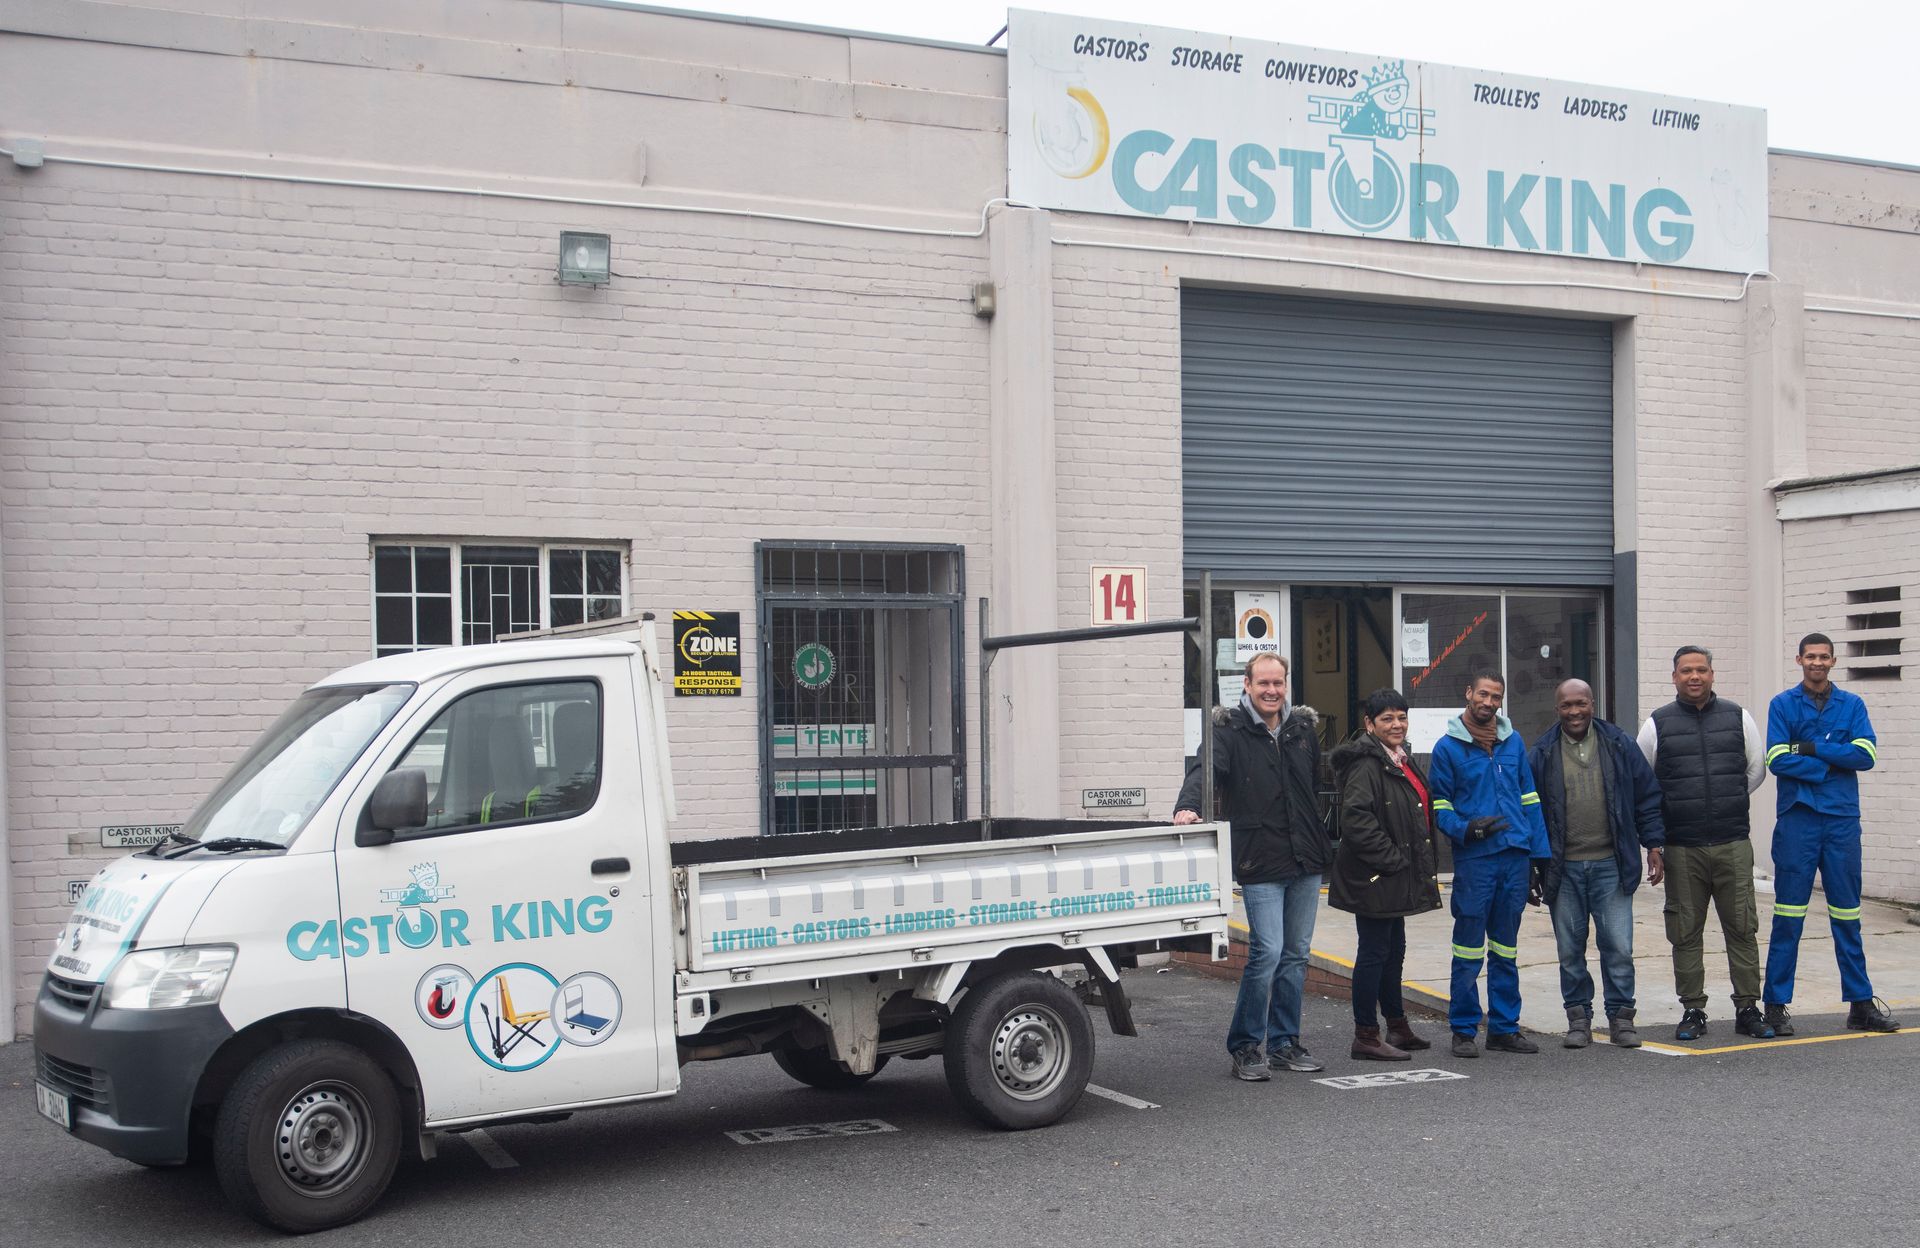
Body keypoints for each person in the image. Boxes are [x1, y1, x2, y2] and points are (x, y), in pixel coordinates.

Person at [1174, 652, 1330, 1081]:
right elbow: (1205, 770)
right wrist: (1188, 805)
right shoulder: (1229, 730)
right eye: (1263, 683)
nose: (1271, 691)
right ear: (1247, 684)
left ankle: (1284, 1043)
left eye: (1278, 683)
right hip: (1260, 857)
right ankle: (1245, 1046)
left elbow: (1313, 786)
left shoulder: (1301, 729)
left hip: (1306, 857)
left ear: (1286, 684)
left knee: (1296, 955)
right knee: (1268, 952)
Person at [1762, 633, 1900, 1033]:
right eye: (1811, 656)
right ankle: (1775, 1005)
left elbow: (1866, 755)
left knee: (1847, 915)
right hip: (1798, 820)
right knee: (1788, 916)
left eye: (1824, 657)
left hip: (1841, 821)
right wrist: (1832, 761)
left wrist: (1810, 748)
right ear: (1799, 660)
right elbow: (1776, 758)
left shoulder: (1852, 705)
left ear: (1833, 661)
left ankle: (1861, 1005)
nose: (1817, 663)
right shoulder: (1782, 704)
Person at [1636, 645, 1774, 1042]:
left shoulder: (1738, 717)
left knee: (1742, 928)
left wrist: (1727, 799)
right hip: (1682, 847)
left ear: (1712, 674)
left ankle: (1747, 1008)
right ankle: (1693, 1010)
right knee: (1685, 932)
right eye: (1686, 671)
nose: (1694, 676)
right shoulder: (1657, 724)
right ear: (1674, 677)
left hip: (1732, 843)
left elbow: (1756, 769)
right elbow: (1644, 781)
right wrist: (1657, 840)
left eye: (1701, 669)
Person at [1528, 678, 1666, 1049]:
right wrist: (1532, 867)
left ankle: (1621, 1019)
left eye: (1581, 704)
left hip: (1611, 866)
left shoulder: (1619, 744)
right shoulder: (1541, 752)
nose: (1574, 712)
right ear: (1557, 709)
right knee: (1569, 951)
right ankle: (1578, 1020)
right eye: (1566, 705)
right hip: (1564, 870)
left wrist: (1653, 845)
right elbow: (1531, 814)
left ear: (1593, 704)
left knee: (1618, 948)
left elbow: (1647, 797)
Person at [1428, 669, 1551, 1057]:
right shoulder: (1447, 748)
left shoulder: (1513, 742)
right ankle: (1464, 1031)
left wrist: (1538, 859)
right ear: (1469, 693)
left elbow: (1530, 800)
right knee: (1467, 949)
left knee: (1506, 949)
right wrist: (1465, 830)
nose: (1488, 702)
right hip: (1476, 860)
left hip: (1514, 857)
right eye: (1483, 694)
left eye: (1495, 697)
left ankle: (1503, 1029)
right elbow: (1439, 806)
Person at [1329, 687, 1443, 1061]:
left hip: (1393, 876)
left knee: (1393, 951)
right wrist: (1393, 860)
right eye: (1387, 718)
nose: (1397, 724)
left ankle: (1397, 1026)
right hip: (1376, 877)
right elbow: (1356, 821)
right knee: (1374, 953)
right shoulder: (1367, 764)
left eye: (1402, 717)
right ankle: (1365, 1035)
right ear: (1370, 724)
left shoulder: (1399, 758)